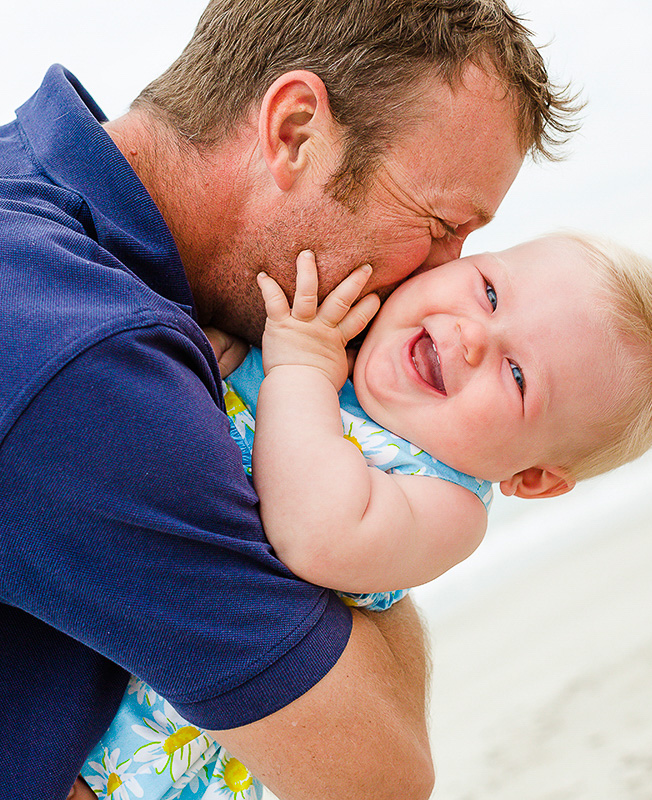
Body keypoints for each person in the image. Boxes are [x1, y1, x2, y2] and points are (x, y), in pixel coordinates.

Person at [0, 0, 580, 796]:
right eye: (442, 224)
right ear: (296, 131)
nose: (437, 274)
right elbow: (374, 774)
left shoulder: (36, 210)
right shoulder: (89, 360)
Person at [76, 232, 652, 799]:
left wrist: (297, 368)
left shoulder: (443, 500)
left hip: (156, 748)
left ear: (531, 478)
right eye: (489, 291)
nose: (473, 335)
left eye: (516, 375)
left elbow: (315, 533)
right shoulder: (330, 333)